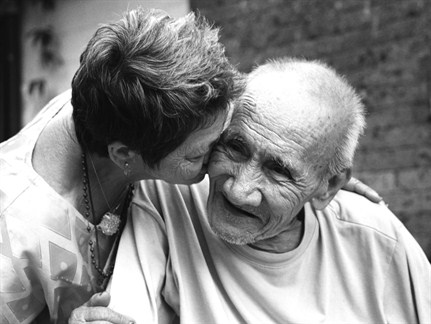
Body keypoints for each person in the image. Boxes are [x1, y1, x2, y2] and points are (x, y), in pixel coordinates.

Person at [110, 58, 431, 323]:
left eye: (278, 170)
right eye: (236, 147)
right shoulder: (168, 197)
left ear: (329, 185)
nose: (239, 191)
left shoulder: (378, 241)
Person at [0, 8, 243, 323]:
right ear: (124, 155)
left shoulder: (116, 101)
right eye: (197, 155)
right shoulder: (13, 238)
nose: (216, 161)